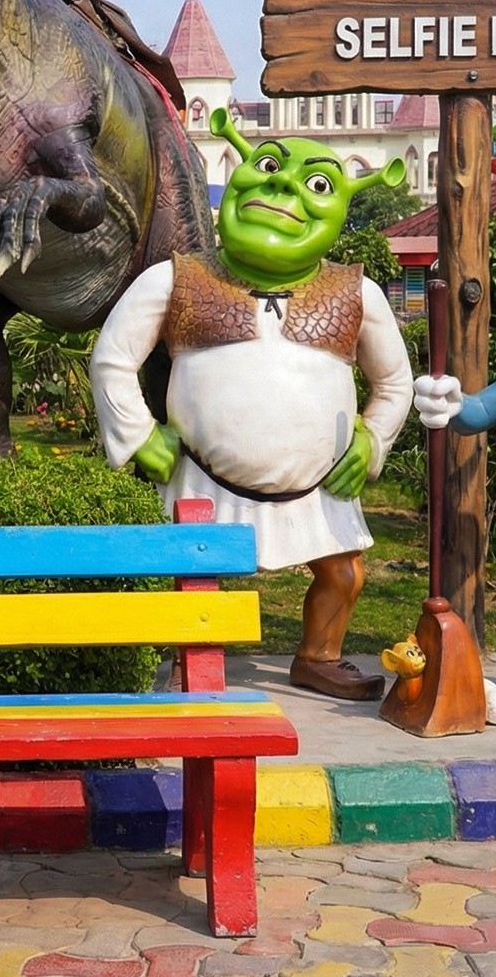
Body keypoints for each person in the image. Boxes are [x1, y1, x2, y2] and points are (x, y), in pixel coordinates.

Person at [91, 110, 413, 702]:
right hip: (203, 478)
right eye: (267, 168)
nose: (283, 188)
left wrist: (372, 438)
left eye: (315, 183)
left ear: (340, 205)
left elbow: (394, 382)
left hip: (318, 488)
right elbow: (113, 357)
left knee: (342, 574)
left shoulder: (357, 292)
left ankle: (318, 656)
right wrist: (138, 434)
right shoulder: (175, 279)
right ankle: (191, 659)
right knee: (190, 577)